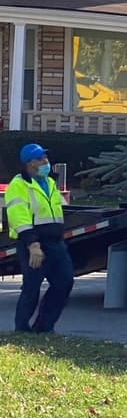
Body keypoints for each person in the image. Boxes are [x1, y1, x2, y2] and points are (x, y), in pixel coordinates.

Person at [5, 143, 74, 334]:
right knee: (32, 287)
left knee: (65, 281)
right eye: (40, 158)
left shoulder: (49, 182)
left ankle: (44, 327)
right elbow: (19, 217)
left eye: (46, 157)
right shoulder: (19, 185)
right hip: (34, 244)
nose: (46, 161)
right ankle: (22, 329)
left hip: (55, 243)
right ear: (29, 163)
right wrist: (33, 245)